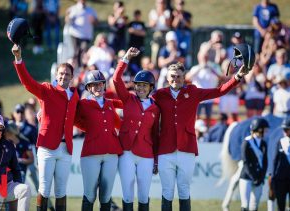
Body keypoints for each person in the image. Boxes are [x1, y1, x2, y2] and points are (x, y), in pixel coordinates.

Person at [152, 60, 249, 211]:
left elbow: (219, 91)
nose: (175, 79)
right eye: (172, 76)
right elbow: (141, 104)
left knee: (184, 190)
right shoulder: (159, 95)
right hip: (165, 150)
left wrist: (237, 77)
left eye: (178, 76)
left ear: (184, 78)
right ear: (167, 78)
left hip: (187, 148)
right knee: (167, 191)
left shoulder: (193, 92)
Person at [11, 44, 79, 210]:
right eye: (61, 73)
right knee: (44, 189)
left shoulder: (75, 95)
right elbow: (28, 83)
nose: (64, 76)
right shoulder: (47, 89)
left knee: (61, 191)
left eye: (67, 74)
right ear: (56, 75)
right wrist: (18, 59)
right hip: (47, 147)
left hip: (66, 149)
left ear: (72, 77)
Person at [113, 47, 160, 211]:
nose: (140, 88)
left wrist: (156, 159)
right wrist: (125, 58)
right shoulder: (128, 99)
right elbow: (116, 79)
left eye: (144, 85)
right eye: (138, 85)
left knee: (143, 195)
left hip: (146, 155)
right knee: (127, 195)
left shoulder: (155, 108)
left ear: (151, 88)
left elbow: (155, 135)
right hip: (126, 152)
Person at [75, 70, 123, 211]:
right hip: (91, 153)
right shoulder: (83, 103)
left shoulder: (109, 103)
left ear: (104, 85)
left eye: (100, 84)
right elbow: (75, 120)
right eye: (94, 85)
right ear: (89, 88)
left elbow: (118, 122)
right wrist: (89, 128)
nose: (98, 87)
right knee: (90, 194)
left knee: (106, 195)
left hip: (111, 153)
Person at [0, 114, 31, 211]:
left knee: (25, 189)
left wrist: (15, 195)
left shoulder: (9, 146)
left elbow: (16, 169)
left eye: (1, 129)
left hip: (5, 186)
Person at [239, 118, 269, 211]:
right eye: (264, 129)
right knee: (245, 204)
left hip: (259, 177)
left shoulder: (263, 143)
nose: (266, 131)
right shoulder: (247, 142)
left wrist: (261, 177)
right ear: (259, 129)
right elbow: (245, 161)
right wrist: (253, 177)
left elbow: (265, 162)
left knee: (255, 205)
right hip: (247, 176)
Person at [65, 0, 98, 69]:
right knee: (75, 51)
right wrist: (68, 17)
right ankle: (74, 67)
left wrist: (93, 21)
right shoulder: (72, 9)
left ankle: (81, 67)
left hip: (86, 36)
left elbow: (96, 22)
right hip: (75, 34)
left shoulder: (91, 10)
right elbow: (67, 21)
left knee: (83, 50)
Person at [270, 117, 290, 211]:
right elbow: (275, 160)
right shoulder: (280, 142)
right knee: (280, 205)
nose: (285, 132)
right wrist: (273, 177)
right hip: (281, 179)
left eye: (287, 129)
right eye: (284, 130)